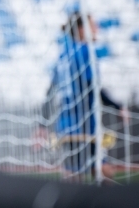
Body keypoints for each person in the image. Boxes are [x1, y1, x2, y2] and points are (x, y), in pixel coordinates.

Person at [51, 11, 123, 180]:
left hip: (66, 122)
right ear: (82, 30)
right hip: (83, 123)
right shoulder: (85, 52)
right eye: (93, 25)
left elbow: (51, 90)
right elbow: (93, 87)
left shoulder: (63, 54)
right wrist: (118, 107)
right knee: (91, 172)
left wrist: (42, 122)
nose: (96, 29)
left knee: (89, 170)